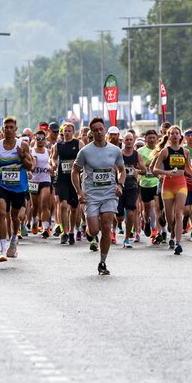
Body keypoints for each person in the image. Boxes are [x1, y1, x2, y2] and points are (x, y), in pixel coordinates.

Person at [72, 117, 125, 275]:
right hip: (91, 196)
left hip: (109, 193)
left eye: (101, 129)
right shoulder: (85, 151)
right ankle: (89, 231)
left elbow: (122, 170)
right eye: (96, 130)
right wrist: (79, 192)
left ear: (105, 130)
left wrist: (120, 184)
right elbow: (74, 172)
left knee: (107, 226)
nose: (99, 132)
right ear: (92, 132)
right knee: (95, 230)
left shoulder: (115, 150)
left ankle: (102, 262)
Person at [0, 117, 34, 261]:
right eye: (6, 127)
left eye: (11, 127)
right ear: (2, 130)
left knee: (15, 217)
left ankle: (14, 239)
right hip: (1, 184)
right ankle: (2, 250)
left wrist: (22, 156)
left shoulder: (22, 145)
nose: (9, 130)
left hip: (18, 186)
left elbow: (30, 166)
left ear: (16, 129)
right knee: (2, 212)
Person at [152, 125, 192, 254]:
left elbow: (189, 167)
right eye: (172, 133)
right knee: (170, 219)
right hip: (168, 185)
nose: (175, 135)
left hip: (181, 184)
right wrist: (166, 172)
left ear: (180, 136)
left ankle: (178, 243)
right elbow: (154, 169)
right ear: (168, 136)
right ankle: (171, 234)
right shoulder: (165, 151)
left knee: (178, 214)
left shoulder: (185, 152)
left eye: (177, 133)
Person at [50, 122, 82, 245]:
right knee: (63, 205)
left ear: (73, 132)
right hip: (62, 178)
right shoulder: (58, 145)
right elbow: (53, 157)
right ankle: (65, 232)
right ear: (62, 132)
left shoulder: (78, 144)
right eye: (65, 131)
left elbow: (84, 157)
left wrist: (78, 163)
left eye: (69, 131)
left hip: (74, 179)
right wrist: (53, 164)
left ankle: (72, 231)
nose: (67, 133)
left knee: (74, 208)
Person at [118, 131, 146, 248]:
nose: (129, 141)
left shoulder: (136, 155)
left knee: (130, 213)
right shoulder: (119, 154)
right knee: (119, 216)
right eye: (127, 139)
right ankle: (117, 227)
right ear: (123, 141)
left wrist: (137, 171)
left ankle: (126, 239)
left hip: (132, 186)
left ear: (133, 141)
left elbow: (144, 170)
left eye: (131, 139)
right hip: (119, 186)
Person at [138, 129, 162, 243]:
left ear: (157, 139)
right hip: (144, 183)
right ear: (145, 139)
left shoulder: (160, 151)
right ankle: (146, 221)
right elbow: (136, 166)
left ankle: (156, 231)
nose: (152, 140)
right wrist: (142, 168)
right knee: (147, 209)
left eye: (154, 137)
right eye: (149, 137)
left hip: (156, 183)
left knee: (156, 208)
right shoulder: (140, 151)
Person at [29, 129, 53, 237]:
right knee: (35, 206)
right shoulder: (30, 151)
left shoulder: (48, 151)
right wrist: (30, 169)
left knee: (44, 203)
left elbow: (52, 162)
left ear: (45, 139)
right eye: (38, 138)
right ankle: (34, 220)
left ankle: (45, 227)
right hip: (34, 180)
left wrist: (52, 168)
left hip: (45, 179)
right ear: (35, 139)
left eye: (42, 139)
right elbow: (28, 165)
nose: (40, 140)